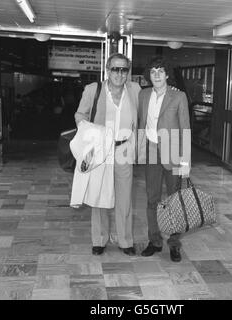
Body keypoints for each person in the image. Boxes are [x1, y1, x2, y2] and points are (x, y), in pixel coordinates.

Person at [74, 53, 141, 256]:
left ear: (128, 73)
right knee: (99, 195)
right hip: (100, 150)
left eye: (124, 70)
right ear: (107, 70)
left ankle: (125, 240)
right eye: (115, 69)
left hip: (124, 150)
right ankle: (99, 239)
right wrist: (90, 135)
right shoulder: (94, 90)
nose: (119, 74)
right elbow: (80, 114)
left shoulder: (135, 90)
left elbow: (153, 101)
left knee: (124, 198)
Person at [138, 56, 191, 262]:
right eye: (153, 71)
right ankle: (154, 241)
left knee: (174, 200)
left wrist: (185, 162)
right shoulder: (143, 95)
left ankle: (174, 244)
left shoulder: (178, 97)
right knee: (152, 200)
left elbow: (185, 129)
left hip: (173, 153)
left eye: (161, 70)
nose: (157, 75)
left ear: (167, 74)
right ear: (148, 76)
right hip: (151, 151)